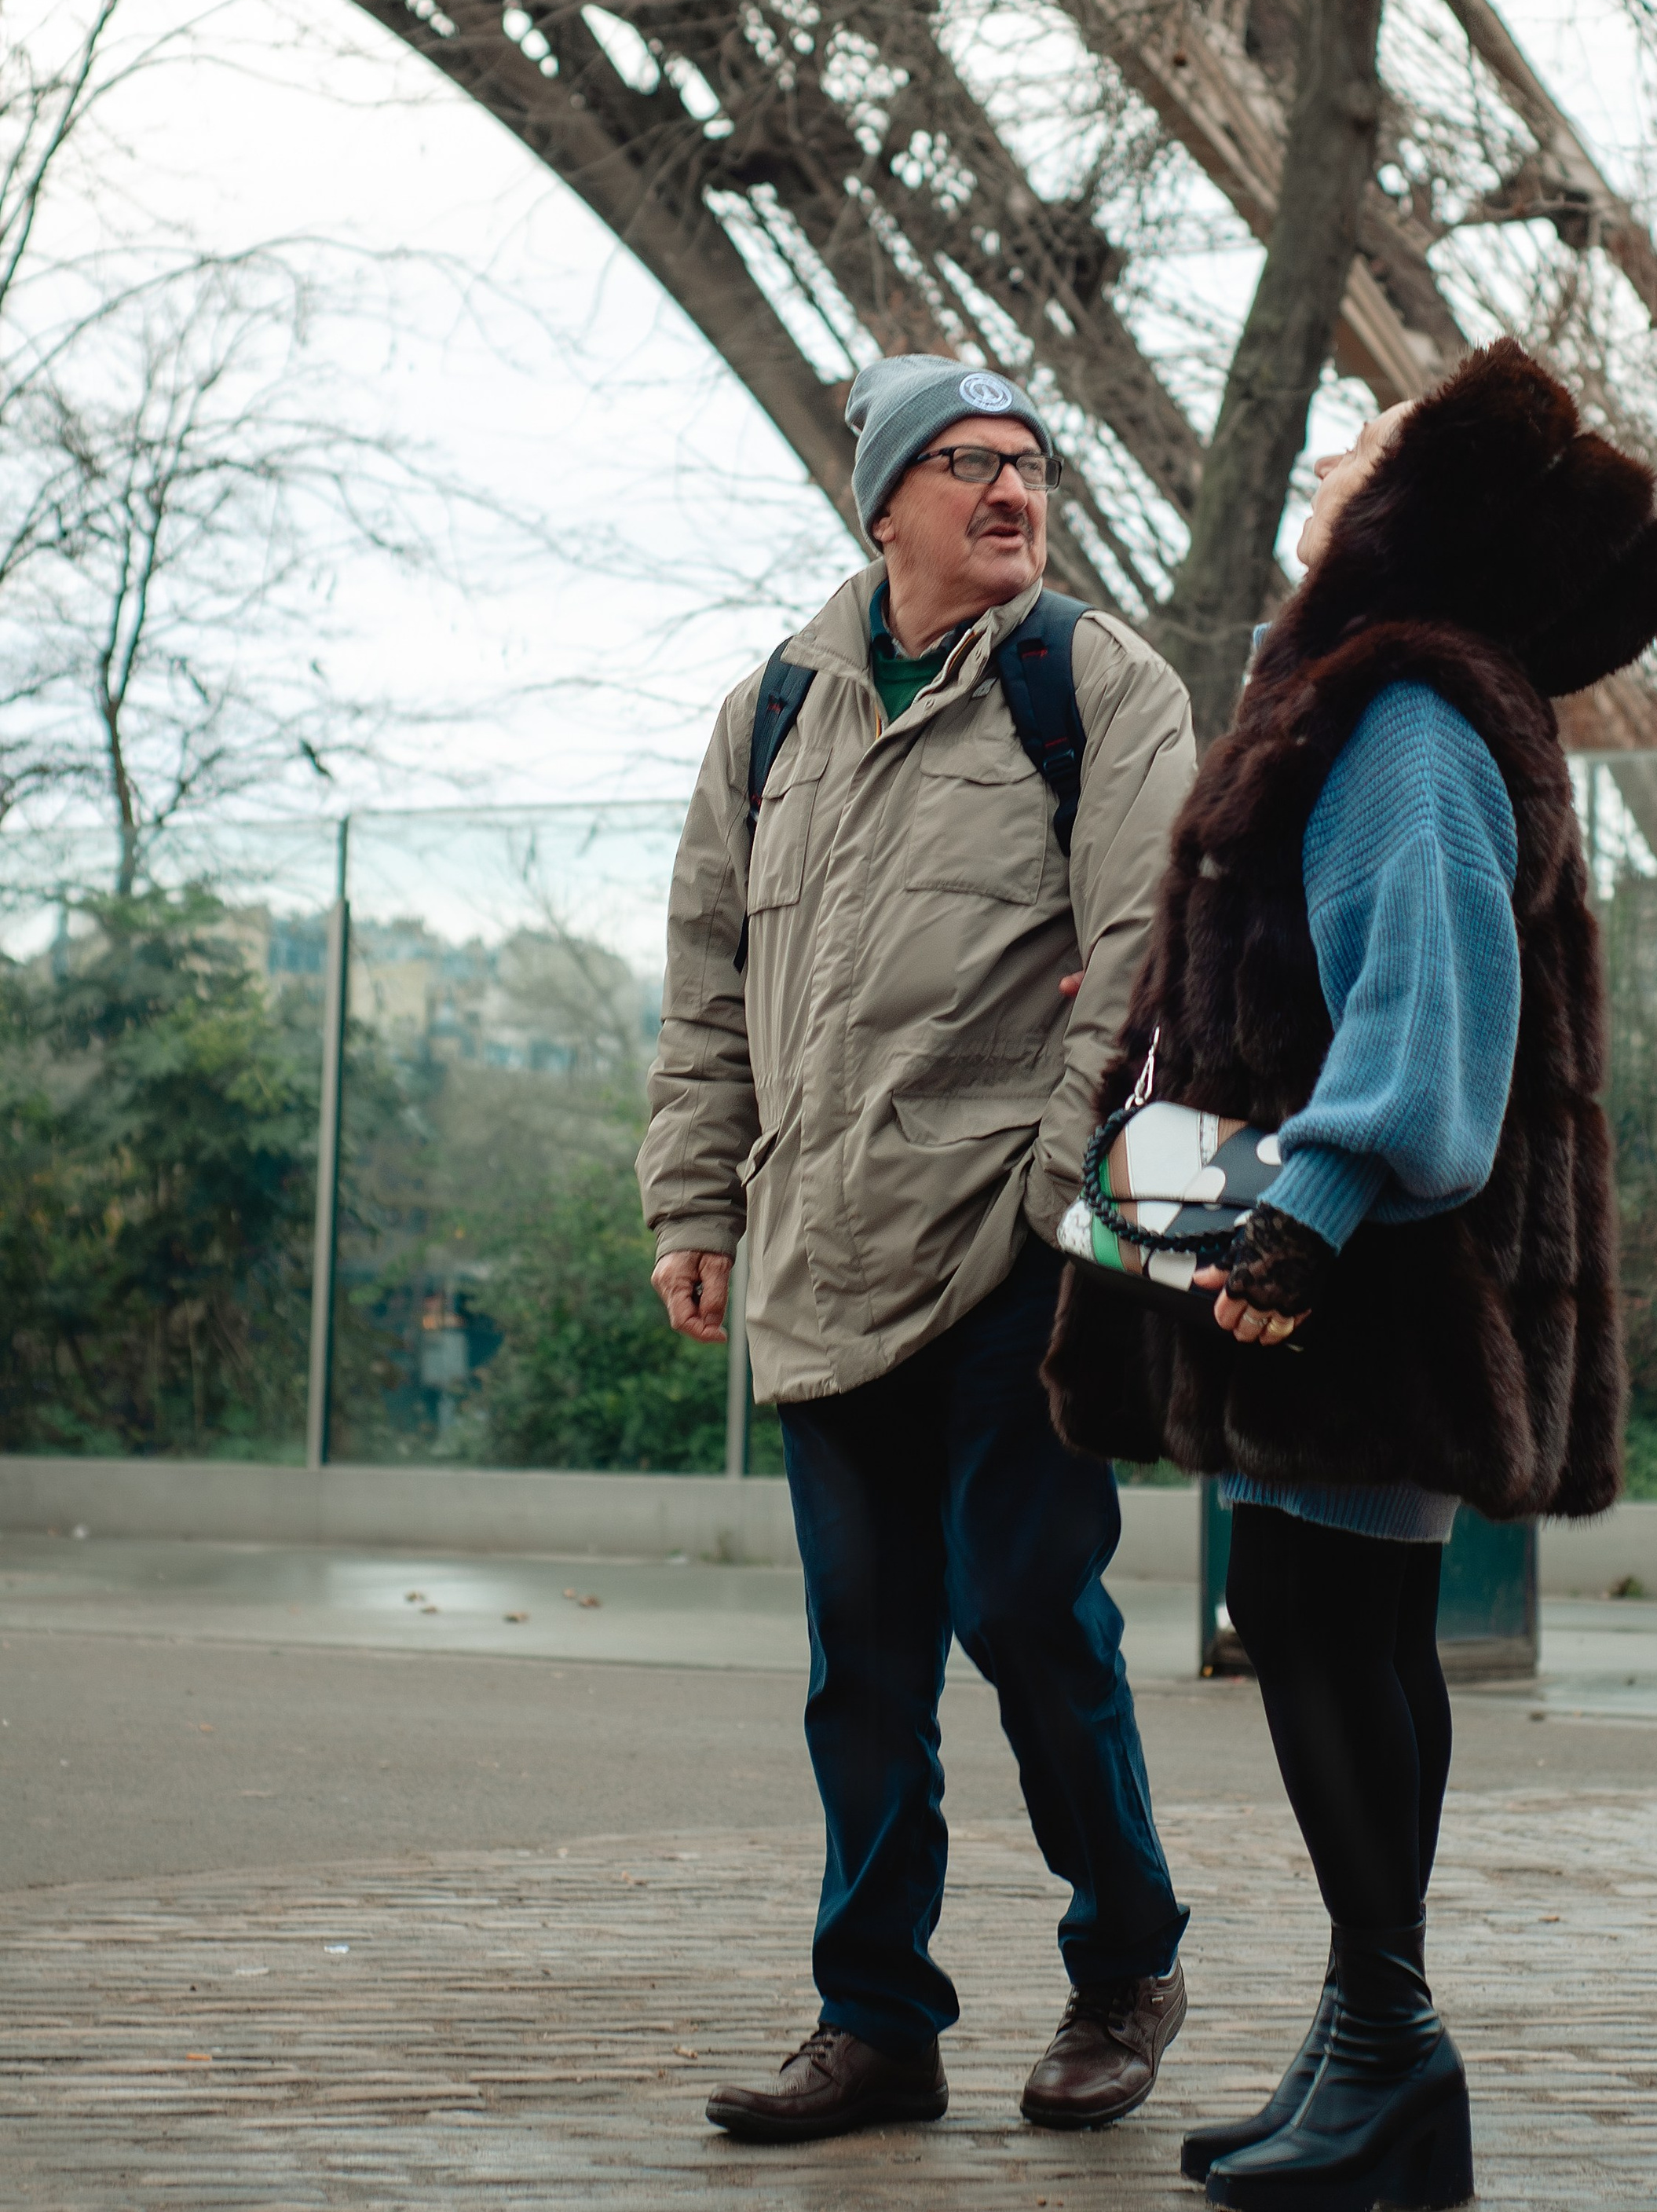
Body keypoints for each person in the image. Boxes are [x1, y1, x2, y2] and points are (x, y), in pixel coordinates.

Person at [1044, 339, 1657, 2212]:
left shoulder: (1400, 709)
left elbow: (1423, 1017)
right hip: (1364, 1260)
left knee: (1320, 1617)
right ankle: (1365, 2043)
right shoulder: (1399, 691)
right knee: (1340, 1619)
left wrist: (1302, 1211)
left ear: (1413, 503)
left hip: (1358, 1268)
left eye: (1370, 440)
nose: (1333, 452)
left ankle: (1393, 2045)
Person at [640, 353, 1195, 2145]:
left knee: (1027, 1608)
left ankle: (1126, 1963)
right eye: (968, 462)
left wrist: (1054, 1196)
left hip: (1014, 1249)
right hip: (821, 1248)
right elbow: (707, 986)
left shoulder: (1097, 686)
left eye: (1032, 461)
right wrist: (694, 1200)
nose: (1012, 488)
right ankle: (876, 2021)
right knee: (863, 1662)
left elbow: (1146, 959)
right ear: (882, 505)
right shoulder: (767, 716)